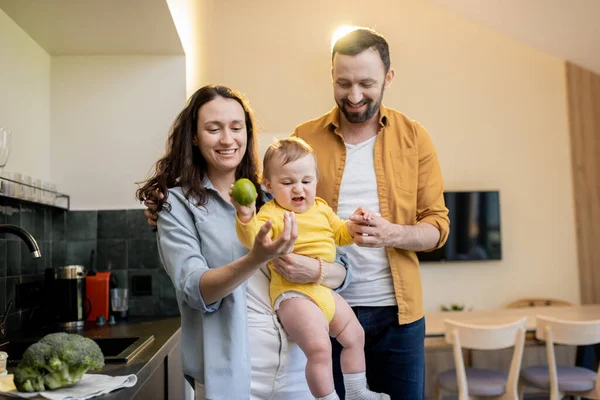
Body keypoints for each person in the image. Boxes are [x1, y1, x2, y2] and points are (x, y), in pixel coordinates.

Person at [136, 85, 352, 400]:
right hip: (235, 381)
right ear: (194, 136)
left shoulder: (272, 197)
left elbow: (343, 271)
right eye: (213, 128)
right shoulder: (176, 205)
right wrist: (256, 257)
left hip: (299, 372)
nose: (227, 139)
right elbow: (195, 289)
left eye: (236, 127)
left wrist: (315, 270)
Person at [291, 27, 450, 399]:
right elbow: (268, 202)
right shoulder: (304, 138)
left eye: (366, 83)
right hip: (323, 311)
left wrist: (391, 233)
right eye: (343, 83)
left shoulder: (415, 138)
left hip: (399, 319)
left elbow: (437, 227)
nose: (355, 95)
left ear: (388, 78)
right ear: (331, 75)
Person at [233, 137, 388, 400]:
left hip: (323, 292)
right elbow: (253, 239)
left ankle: (357, 391)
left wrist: (356, 224)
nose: (298, 189)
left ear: (316, 180)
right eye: (287, 183)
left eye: (306, 181)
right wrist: (246, 216)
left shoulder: (321, 208)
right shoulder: (271, 214)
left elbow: (340, 233)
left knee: (355, 335)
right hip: (293, 295)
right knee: (319, 349)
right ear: (268, 185)